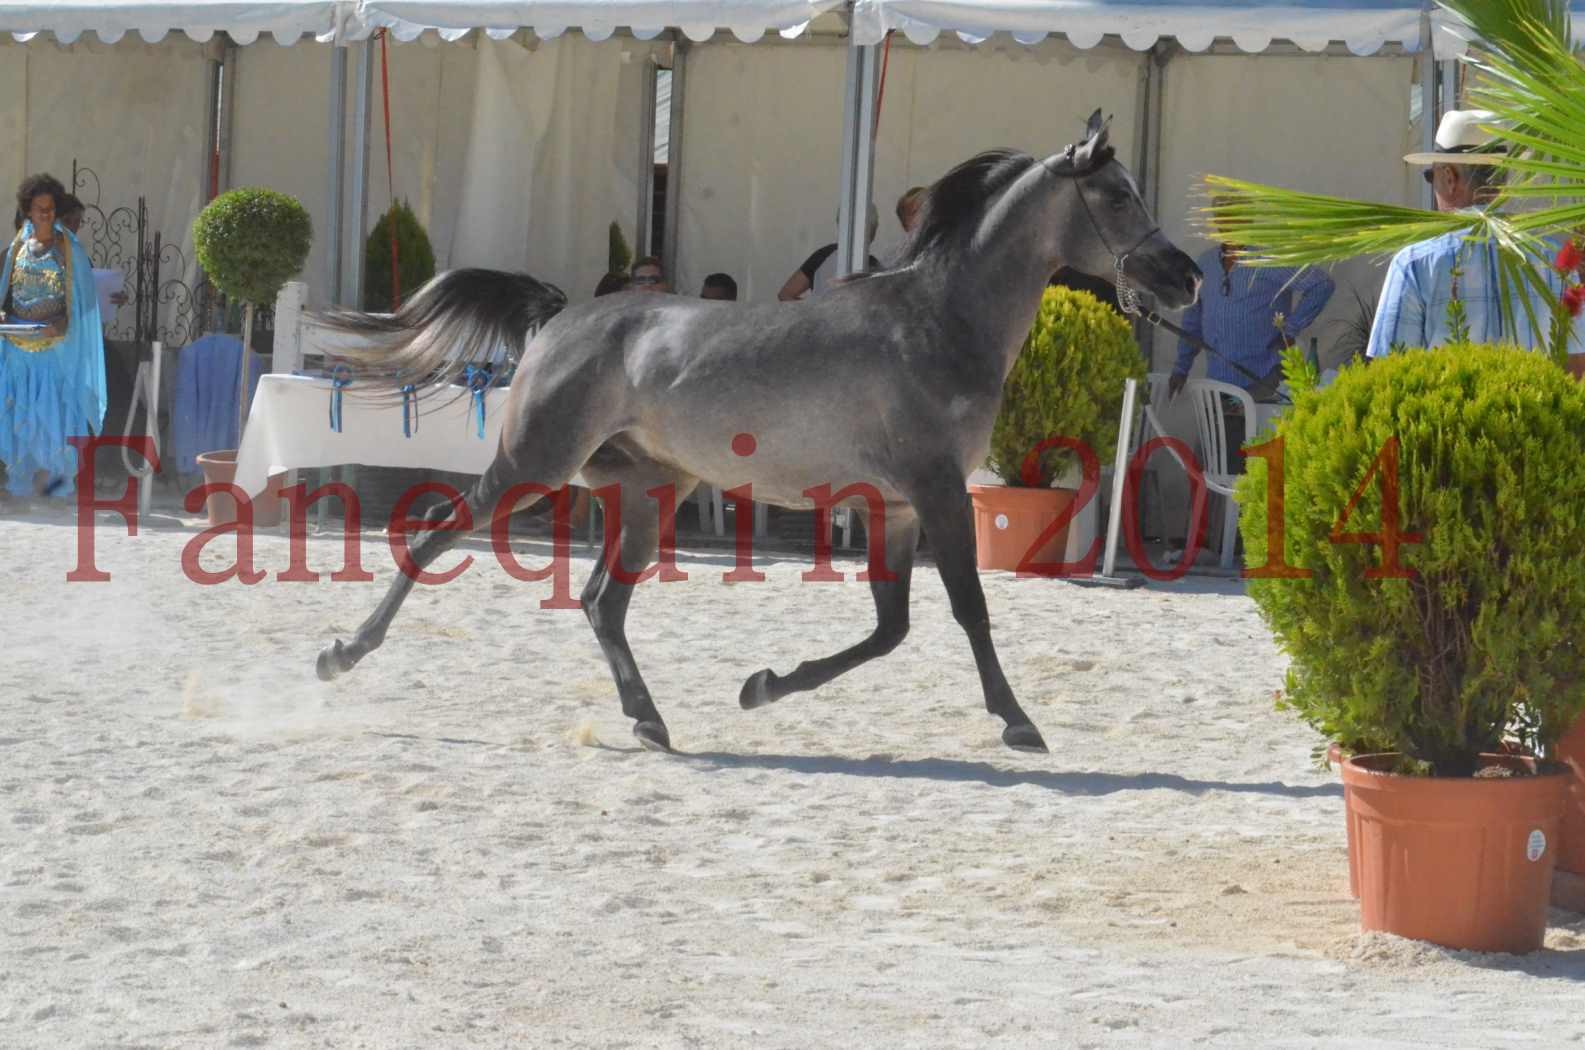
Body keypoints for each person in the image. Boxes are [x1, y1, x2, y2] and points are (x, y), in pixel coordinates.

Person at [1367, 109, 1585, 365]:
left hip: (1448, 404)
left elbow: (1386, 373)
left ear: (1449, 177)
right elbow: (1575, 366)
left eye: (1431, 176)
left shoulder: (1414, 263)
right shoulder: (1554, 261)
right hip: (1535, 403)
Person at [0, 174, 107, 502]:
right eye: (38, 208)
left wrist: (61, 323)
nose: (45, 214)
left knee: (53, 420)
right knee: (21, 416)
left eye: (49, 208)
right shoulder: (17, 247)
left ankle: (51, 491)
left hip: (54, 353)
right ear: (27, 210)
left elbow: (82, 303)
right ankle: (24, 492)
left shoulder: (68, 249)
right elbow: (7, 293)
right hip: (19, 352)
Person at [777, 202, 883, 301]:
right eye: (875, 224)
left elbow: (785, 295)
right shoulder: (872, 265)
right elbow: (785, 295)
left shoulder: (824, 255)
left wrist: (815, 310)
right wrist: (817, 311)